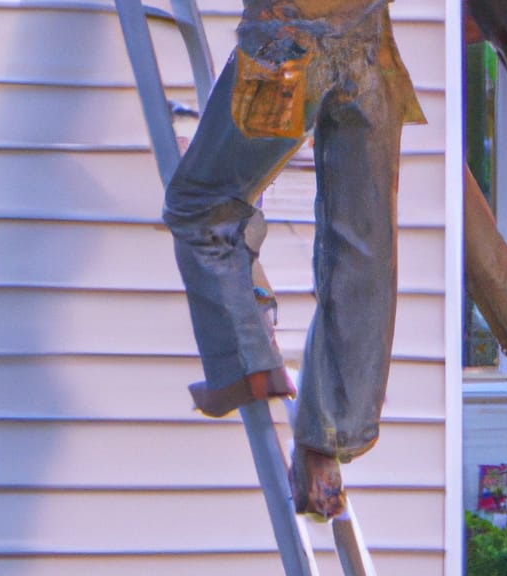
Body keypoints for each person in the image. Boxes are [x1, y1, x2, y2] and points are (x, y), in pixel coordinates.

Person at [162, 0, 425, 519]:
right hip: (372, 49)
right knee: (361, 248)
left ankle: (247, 365)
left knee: (200, 210)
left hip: (288, 42)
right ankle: (331, 435)